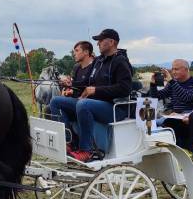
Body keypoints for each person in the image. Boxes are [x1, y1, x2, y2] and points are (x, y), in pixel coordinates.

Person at [49, 28, 133, 162]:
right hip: (92, 103)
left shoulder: (121, 61)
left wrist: (96, 90)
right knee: (55, 101)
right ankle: (67, 142)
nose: (98, 43)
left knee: (83, 104)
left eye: (100, 40)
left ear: (111, 42)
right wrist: (72, 85)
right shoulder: (98, 61)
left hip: (114, 108)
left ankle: (86, 151)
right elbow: (86, 83)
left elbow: (125, 88)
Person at [149, 59, 193, 147]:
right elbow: (157, 96)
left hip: (189, 116)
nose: (173, 72)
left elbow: (187, 97)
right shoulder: (173, 83)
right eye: (173, 69)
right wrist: (153, 84)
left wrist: (171, 81)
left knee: (169, 124)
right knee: (149, 124)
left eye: (176, 69)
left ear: (186, 70)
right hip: (174, 115)